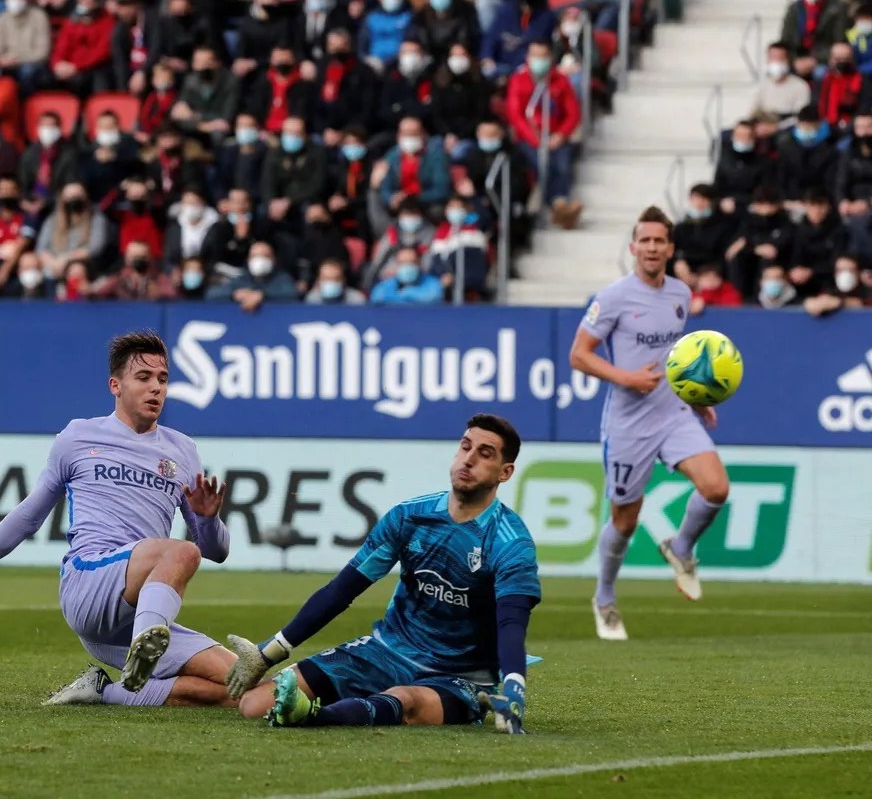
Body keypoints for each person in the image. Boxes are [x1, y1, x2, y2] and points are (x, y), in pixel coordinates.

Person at [0, 331, 238, 708]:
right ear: (115, 386)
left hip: (137, 614)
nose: (156, 387)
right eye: (143, 377)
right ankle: (144, 651)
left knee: (241, 682)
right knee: (182, 552)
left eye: (162, 378)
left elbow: (215, 551)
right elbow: (28, 516)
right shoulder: (78, 436)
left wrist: (208, 520)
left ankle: (104, 690)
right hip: (88, 583)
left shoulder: (182, 450)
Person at [225, 414, 541, 733]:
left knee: (404, 699)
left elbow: (511, 623)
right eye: (465, 446)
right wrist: (269, 653)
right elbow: (341, 590)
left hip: (457, 676)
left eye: (485, 454)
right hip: (385, 652)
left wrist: (514, 687)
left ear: (505, 472)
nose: (469, 459)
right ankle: (346, 706)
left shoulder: (511, 542)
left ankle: (315, 717)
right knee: (255, 704)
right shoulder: (408, 517)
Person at [569, 206, 731, 642]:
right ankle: (605, 598)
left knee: (716, 487)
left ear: (670, 248)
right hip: (628, 424)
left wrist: (697, 398)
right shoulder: (614, 297)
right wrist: (627, 378)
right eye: (645, 240)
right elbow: (578, 354)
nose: (653, 247)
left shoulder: (680, 294)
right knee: (625, 521)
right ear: (633, 247)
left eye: (660, 240)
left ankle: (681, 548)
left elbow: (675, 358)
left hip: (674, 413)